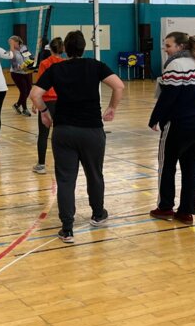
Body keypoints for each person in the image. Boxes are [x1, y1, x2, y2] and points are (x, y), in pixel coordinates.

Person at [30, 30, 124, 244]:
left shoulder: (56, 68)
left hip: (64, 130)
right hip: (92, 130)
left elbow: (35, 94)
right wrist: (111, 108)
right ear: (84, 48)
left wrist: (45, 112)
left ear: (65, 49)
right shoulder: (95, 65)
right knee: (94, 174)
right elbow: (119, 86)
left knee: (65, 180)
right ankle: (98, 214)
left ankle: (67, 228)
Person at [148, 32, 195, 225]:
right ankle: (186, 212)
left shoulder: (175, 66)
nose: (165, 49)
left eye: (168, 46)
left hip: (179, 125)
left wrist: (154, 119)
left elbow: (169, 97)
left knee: (167, 166)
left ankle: (165, 206)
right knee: (191, 167)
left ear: (180, 47)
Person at [32, 37, 65, 175]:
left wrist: (35, 102)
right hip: (62, 101)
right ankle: (62, 165)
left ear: (50, 49)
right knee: (60, 133)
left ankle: (41, 165)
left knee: (43, 135)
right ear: (62, 49)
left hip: (47, 102)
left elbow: (40, 83)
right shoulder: (65, 63)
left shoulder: (45, 63)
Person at [8, 35, 33, 116]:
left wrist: (29, 63)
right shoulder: (12, 52)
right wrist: (12, 47)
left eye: (11, 42)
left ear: (17, 42)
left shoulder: (23, 48)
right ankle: (25, 109)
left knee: (29, 90)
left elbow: (29, 58)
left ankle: (17, 105)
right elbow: (14, 64)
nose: (10, 44)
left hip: (26, 71)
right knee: (23, 90)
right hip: (16, 74)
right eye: (10, 43)